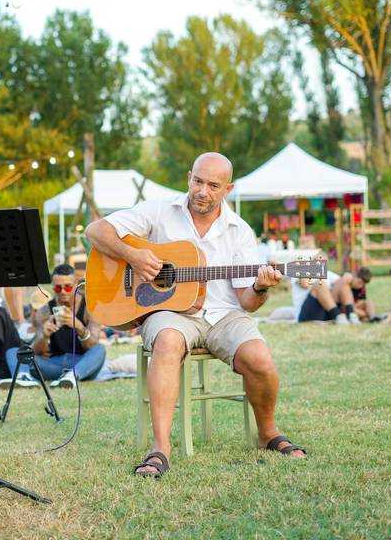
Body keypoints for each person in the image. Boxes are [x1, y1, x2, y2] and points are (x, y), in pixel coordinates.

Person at [85, 152, 306, 477]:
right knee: (168, 342)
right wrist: (133, 256)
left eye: (213, 185)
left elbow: (247, 302)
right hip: (170, 314)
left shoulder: (239, 231)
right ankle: (160, 448)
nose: (203, 191)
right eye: (198, 181)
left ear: (227, 189)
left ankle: (268, 434)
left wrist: (260, 287)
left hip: (224, 316)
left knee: (260, 358)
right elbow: (95, 231)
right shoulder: (159, 210)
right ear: (189, 176)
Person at [2, 264, 106, 389]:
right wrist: (45, 336)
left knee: (100, 350)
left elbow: (92, 345)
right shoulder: (45, 310)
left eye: (68, 287)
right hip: (53, 364)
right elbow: (38, 351)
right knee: (13, 352)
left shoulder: (90, 308)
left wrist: (79, 327)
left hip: (80, 363)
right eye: (57, 288)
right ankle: (23, 377)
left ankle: (71, 377)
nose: (62, 292)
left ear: (77, 284)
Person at [296, 267, 372, 324]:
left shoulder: (329, 274)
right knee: (320, 284)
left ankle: (351, 315)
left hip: (328, 312)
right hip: (309, 313)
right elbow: (304, 284)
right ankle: (339, 315)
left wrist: (347, 278)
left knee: (342, 282)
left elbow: (343, 283)